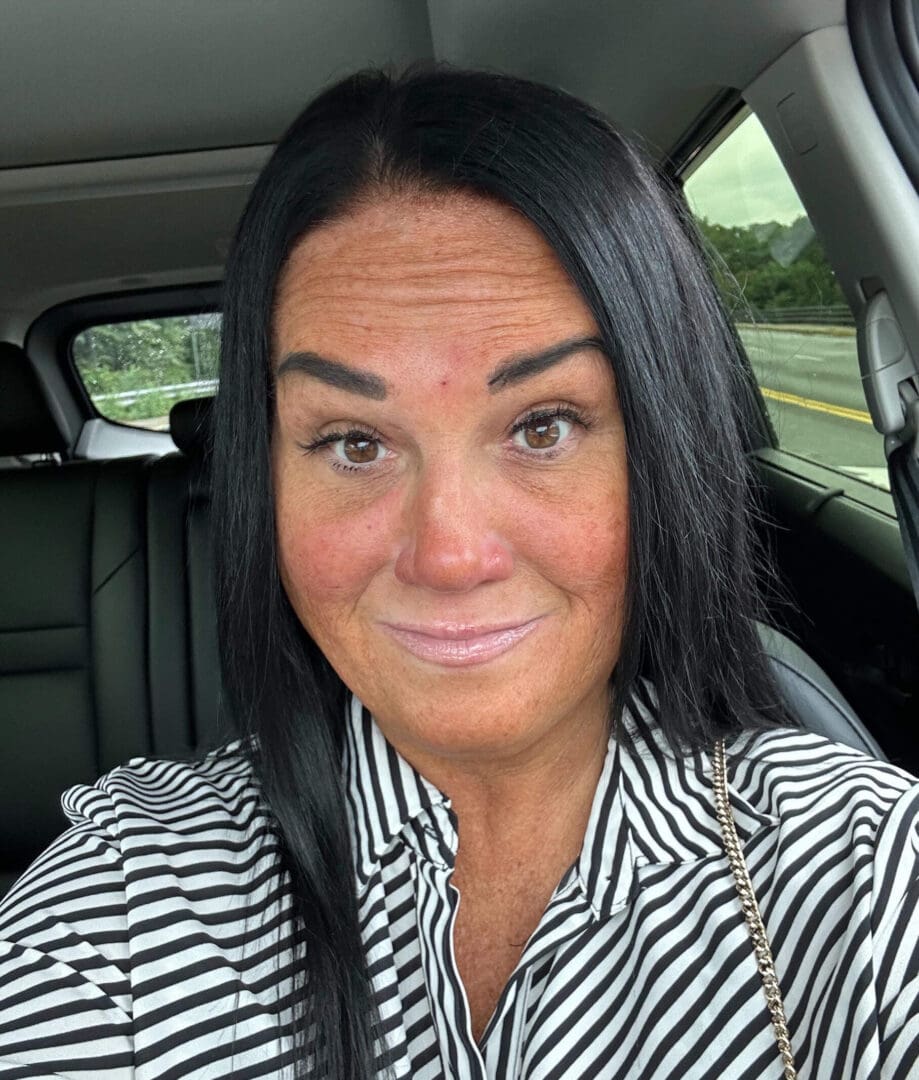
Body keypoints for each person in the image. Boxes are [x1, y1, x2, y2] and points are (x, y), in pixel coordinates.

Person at [1, 66, 917, 1080]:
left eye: (543, 426)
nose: (447, 554)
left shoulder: (866, 873)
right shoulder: (132, 894)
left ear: (665, 450)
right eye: (352, 442)